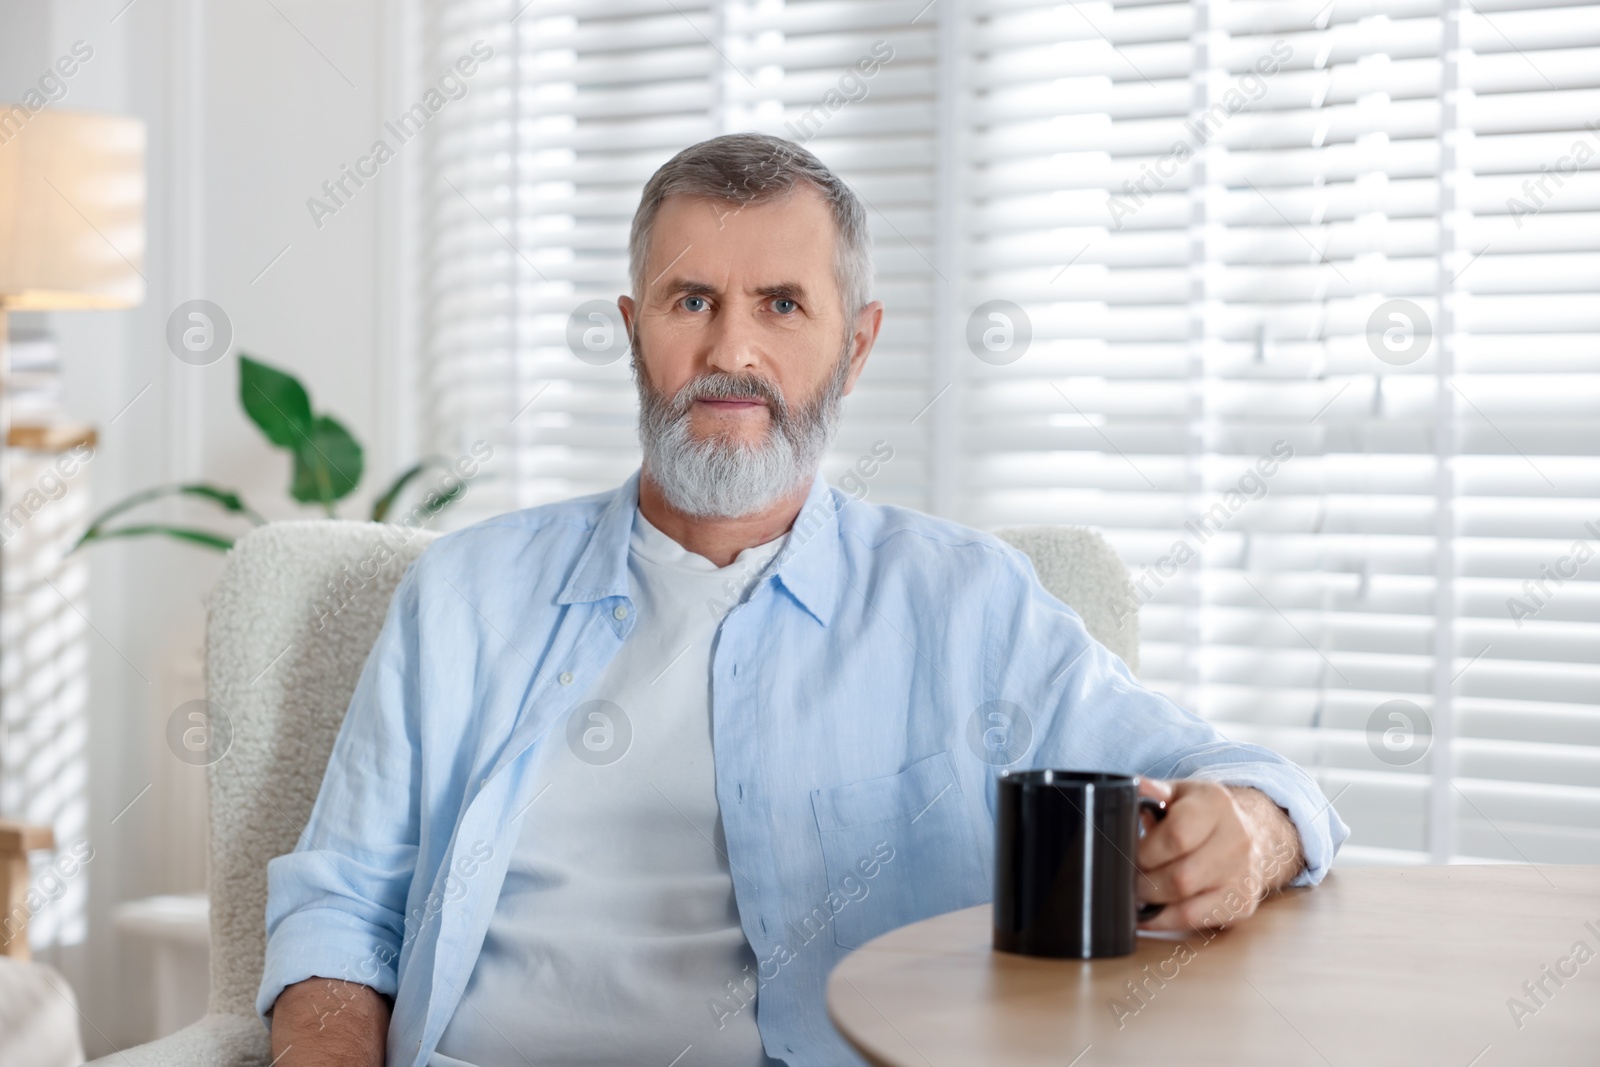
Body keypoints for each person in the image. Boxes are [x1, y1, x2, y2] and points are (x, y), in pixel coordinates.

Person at [260, 133, 1348, 1067]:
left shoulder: (965, 605)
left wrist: (1252, 832)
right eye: (694, 300)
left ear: (856, 344)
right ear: (635, 329)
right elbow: (339, 909)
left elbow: (1258, 781)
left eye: (781, 304)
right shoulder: (462, 594)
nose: (730, 350)